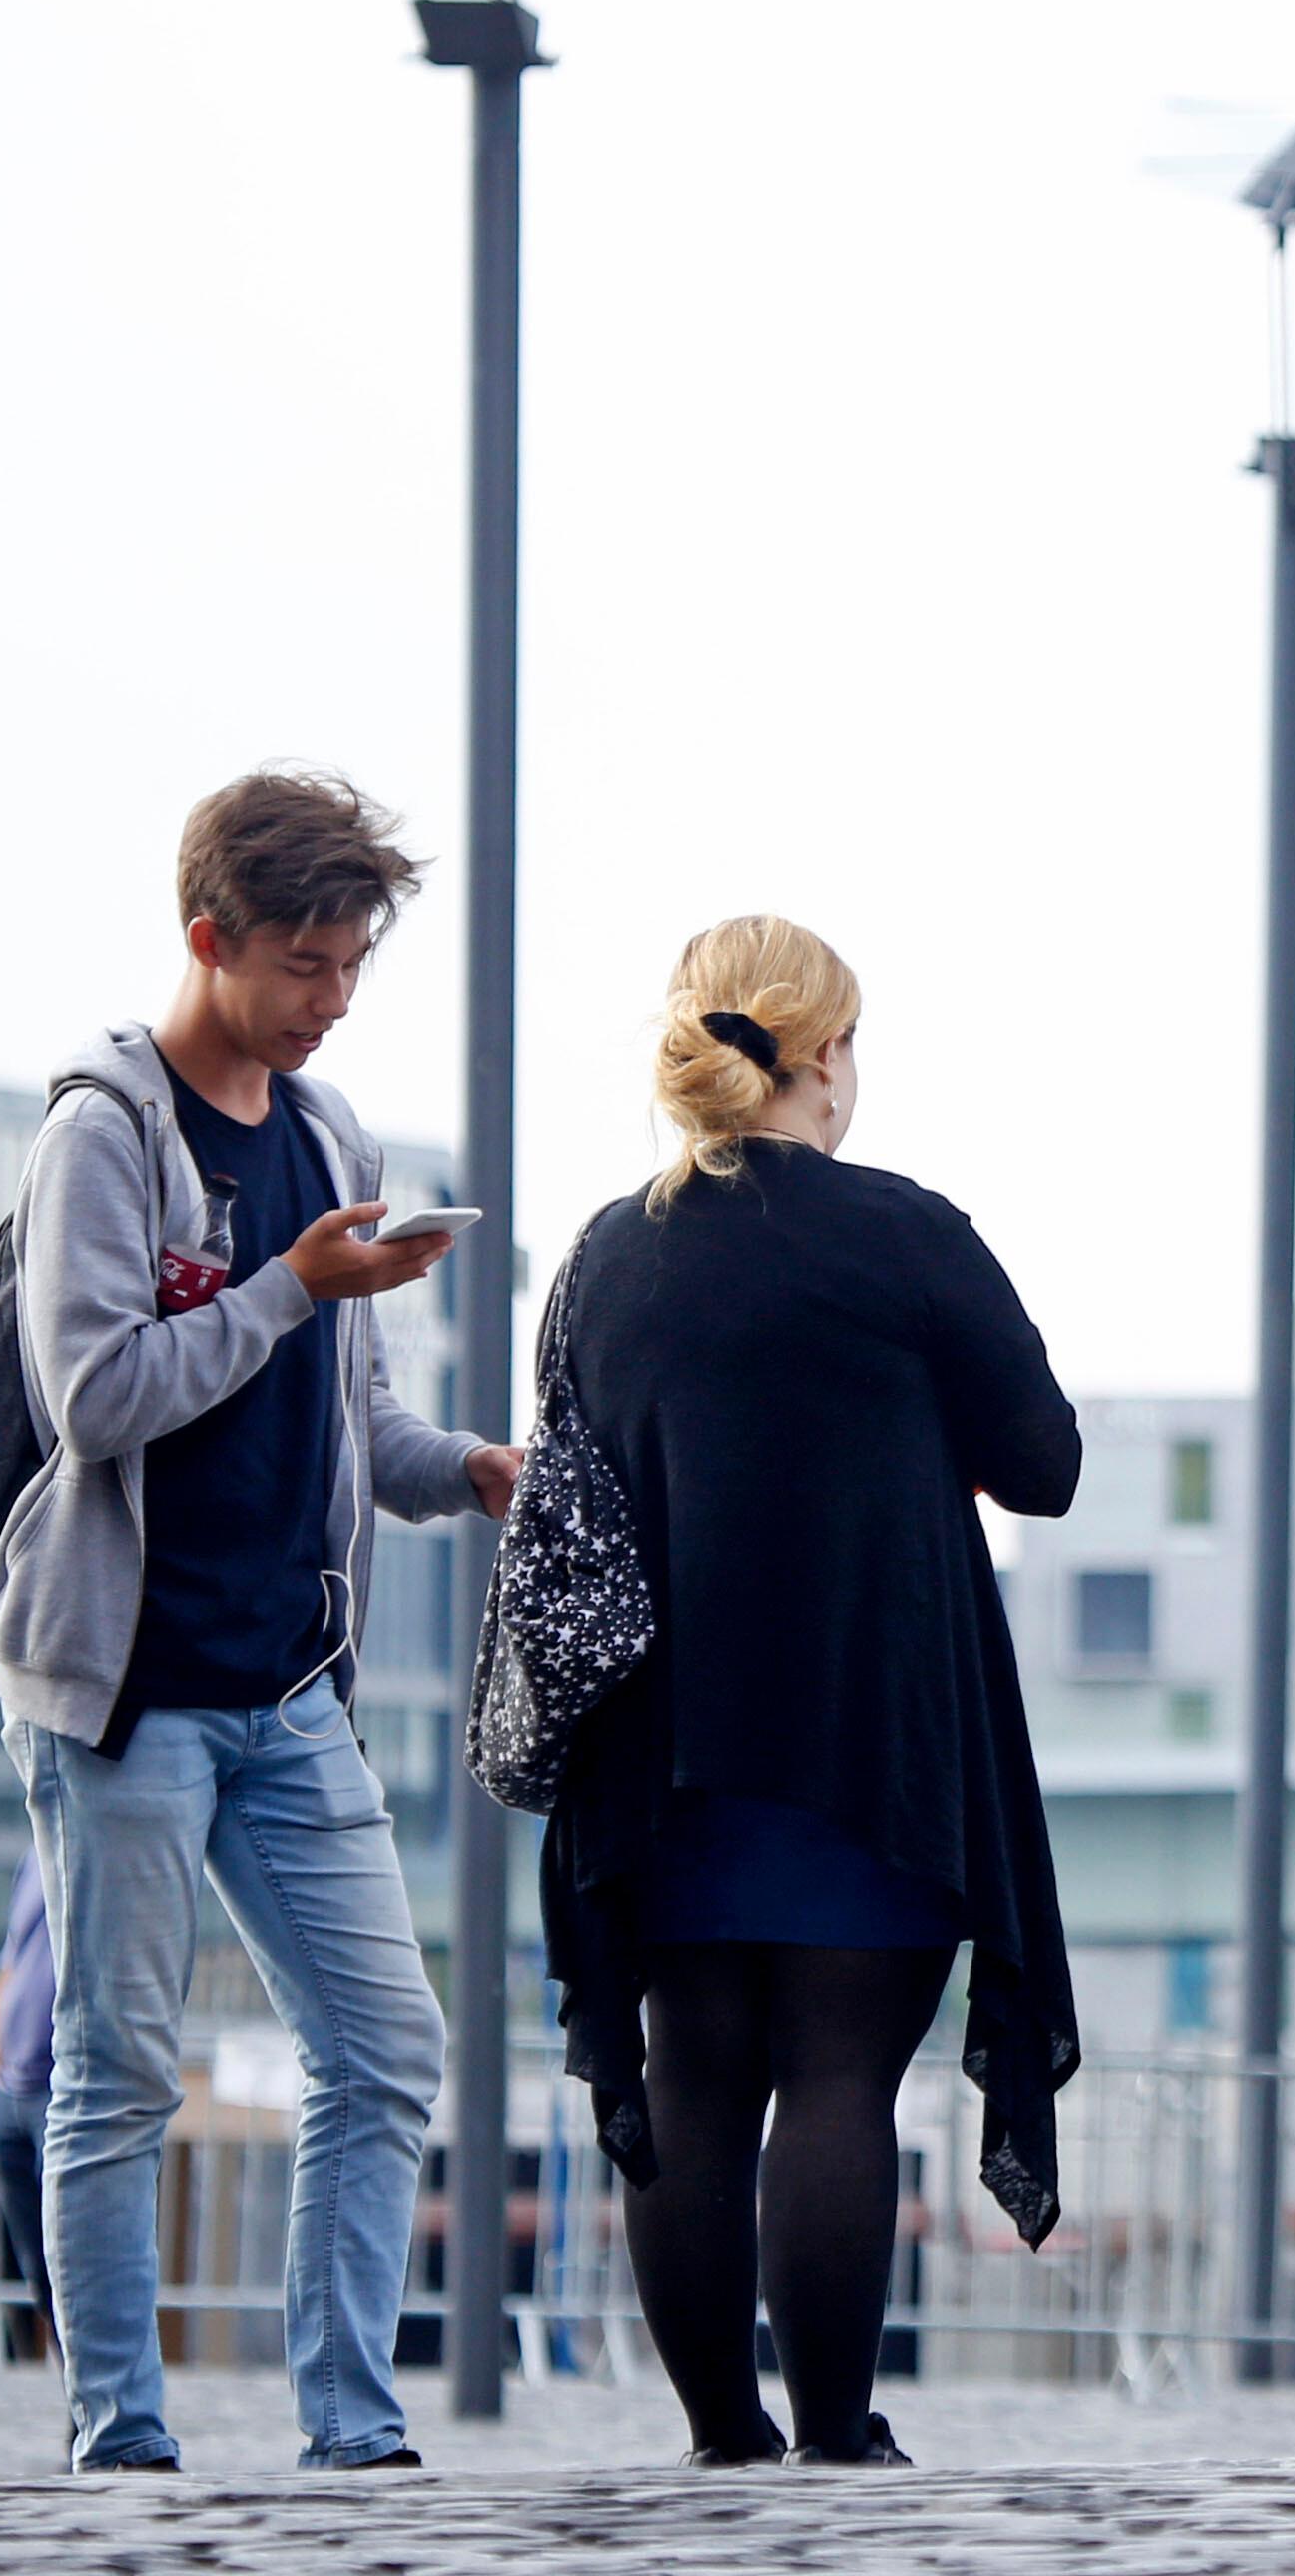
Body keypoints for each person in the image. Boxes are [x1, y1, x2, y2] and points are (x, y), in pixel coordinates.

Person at [0, 770, 510, 2474]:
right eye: (303, 961)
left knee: (385, 2047)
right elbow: (92, 1396)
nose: (331, 994)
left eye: (353, 963)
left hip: (291, 1691)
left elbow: (360, 1420)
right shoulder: (103, 1133)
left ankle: (350, 2426)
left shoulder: (333, 1134)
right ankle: (119, 2433)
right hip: (126, 1688)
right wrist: (293, 1283)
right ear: (208, 937)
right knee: (118, 2074)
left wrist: (474, 1470)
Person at [536, 915, 1082, 2470]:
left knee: (696, 2080)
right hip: (870, 1729)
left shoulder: (605, 1260)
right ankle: (840, 2437)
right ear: (824, 1056)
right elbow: (1043, 1464)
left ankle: (725, 2436)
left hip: (662, 1745)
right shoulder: (904, 1236)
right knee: (842, 2077)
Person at [0, 1850, 57, 2360]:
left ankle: (99, 2415)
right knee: (40, 2273)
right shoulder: (34, 1854)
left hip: (64, 2087)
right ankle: (79, 2399)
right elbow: (11, 1959)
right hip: (12, 2093)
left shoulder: (103, 1839)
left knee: (76, 2266)